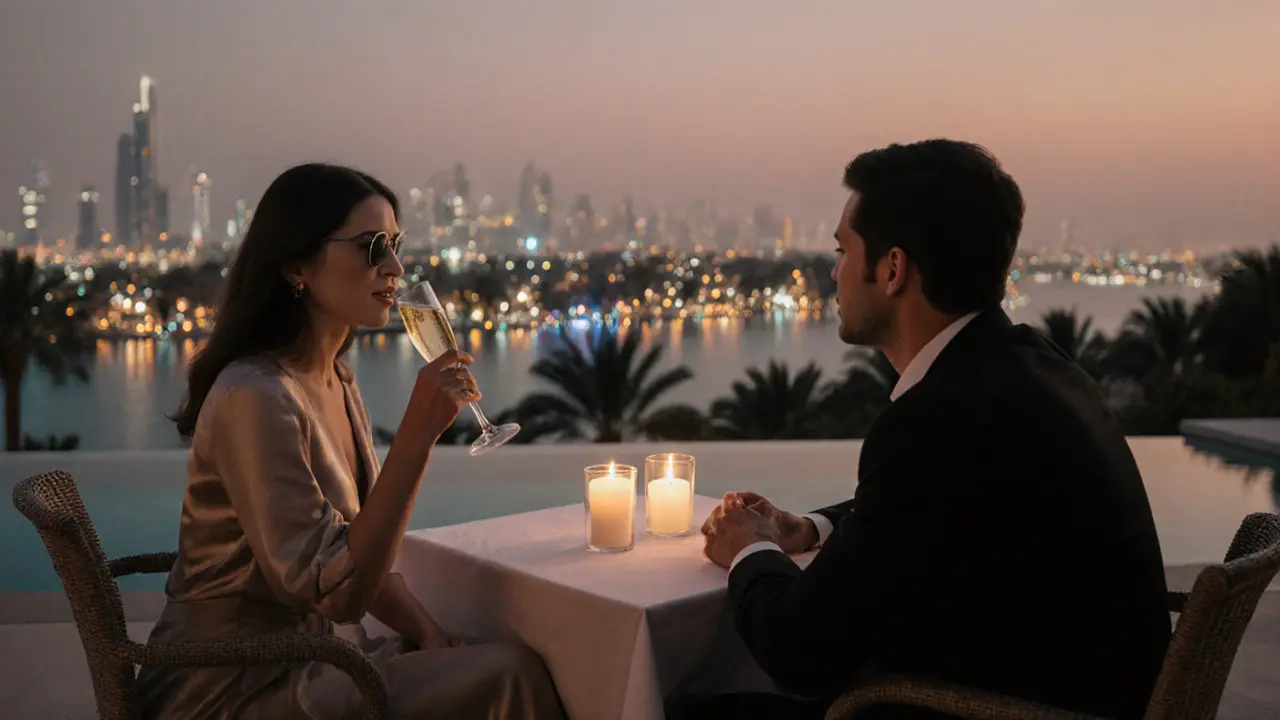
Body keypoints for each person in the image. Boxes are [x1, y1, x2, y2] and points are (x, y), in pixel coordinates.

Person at [693, 140, 1172, 719]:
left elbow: (800, 652)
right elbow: (930, 507)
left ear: (892, 270)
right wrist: (809, 529)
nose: (834, 271)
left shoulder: (936, 418)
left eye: (843, 251)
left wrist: (750, 550)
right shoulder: (1037, 366)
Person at [138, 163, 566, 719]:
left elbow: (352, 547)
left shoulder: (336, 380)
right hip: (234, 684)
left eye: (395, 245)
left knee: (491, 647)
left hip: (318, 657)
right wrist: (417, 436)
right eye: (371, 248)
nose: (394, 268)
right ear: (296, 265)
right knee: (511, 673)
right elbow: (339, 592)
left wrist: (431, 634)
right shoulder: (257, 396)